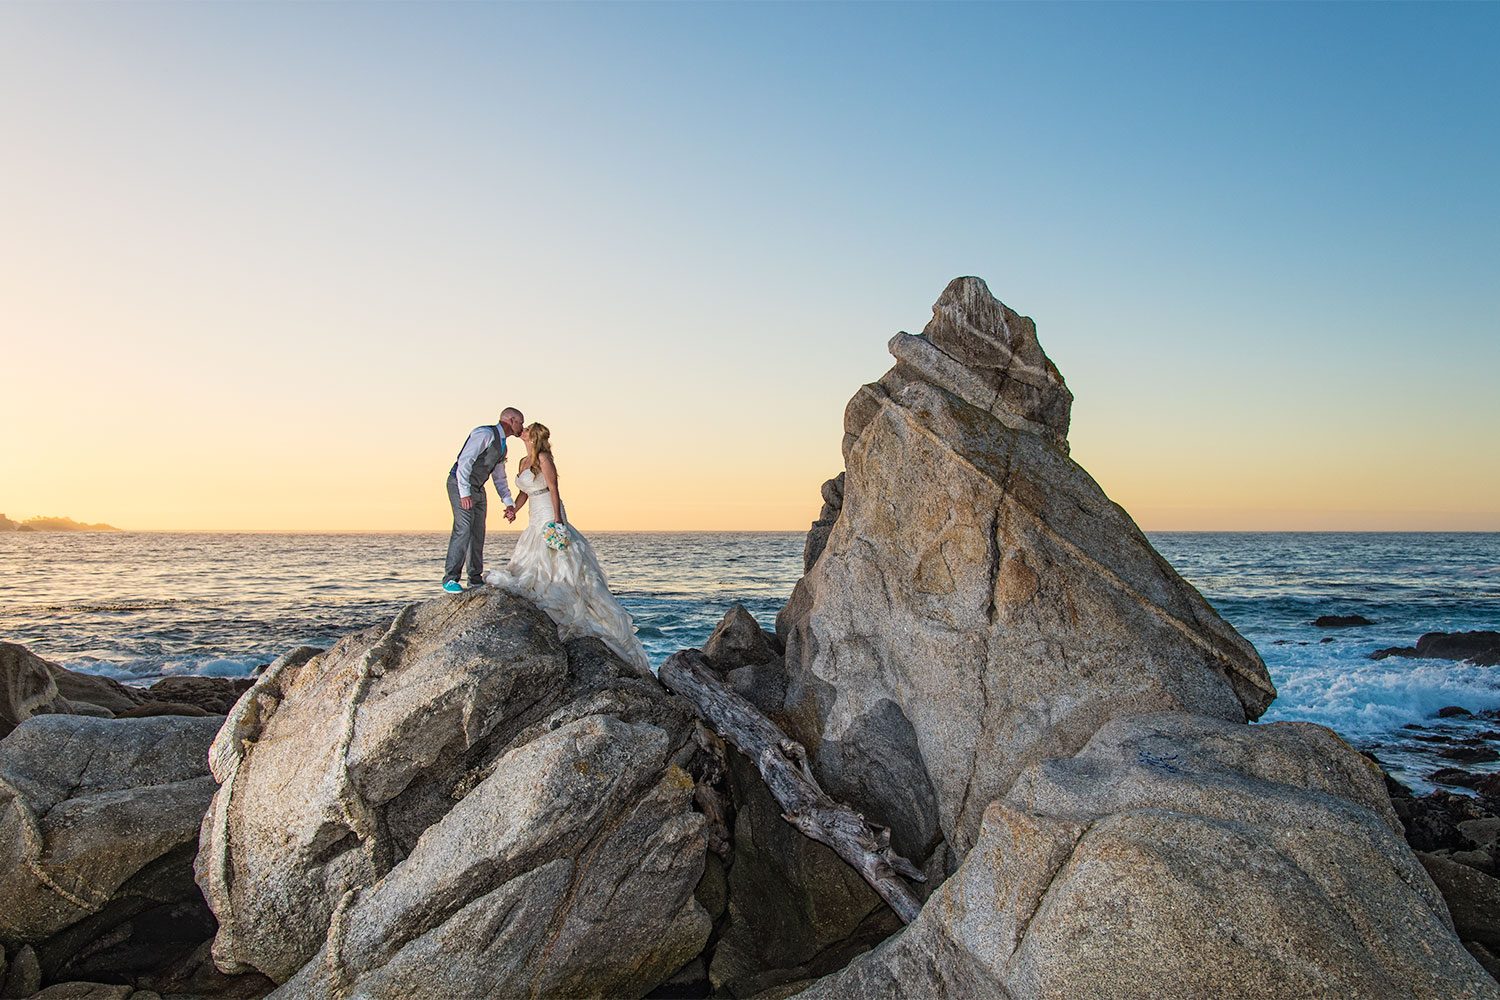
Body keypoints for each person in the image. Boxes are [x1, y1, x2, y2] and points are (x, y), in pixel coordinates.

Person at [484, 422, 651, 674]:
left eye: (527, 429)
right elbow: (524, 492)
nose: (523, 431)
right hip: (533, 513)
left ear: (534, 435)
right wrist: (513, 510)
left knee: (559, 556)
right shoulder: (521, 462)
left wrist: (557, 519)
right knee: (532, 553)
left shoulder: (544, 458)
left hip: (549, 512)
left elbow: (553, 488)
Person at [443, 407, 524, 593]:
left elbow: (499, 477)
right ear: (511, 420)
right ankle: (450, 579)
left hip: (479, 488)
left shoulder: (503, 446)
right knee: (463, 528)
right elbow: (465, 460)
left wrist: (508, 503)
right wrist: (464, 493)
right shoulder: (485, 433)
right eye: (520, 422)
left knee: (478, 532)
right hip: (460, 484)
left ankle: (475, 579)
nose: (522, 426)